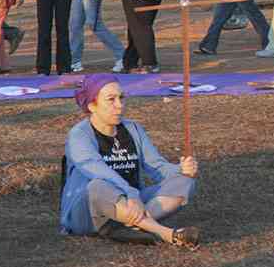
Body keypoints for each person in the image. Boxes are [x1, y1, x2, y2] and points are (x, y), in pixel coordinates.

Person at [60, 75, 200, 247]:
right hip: (88, 214)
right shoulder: (79, 135)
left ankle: (130, 226)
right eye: (111, 100)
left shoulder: (133, 128)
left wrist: (181, 170)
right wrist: (131, 194)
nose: (120, 105)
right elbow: (99, 172)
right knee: (98, 185)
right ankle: (167, 234)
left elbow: (156, 167)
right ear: (92, 106)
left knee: (184, 183)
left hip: (131, 206)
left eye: (121, 98)